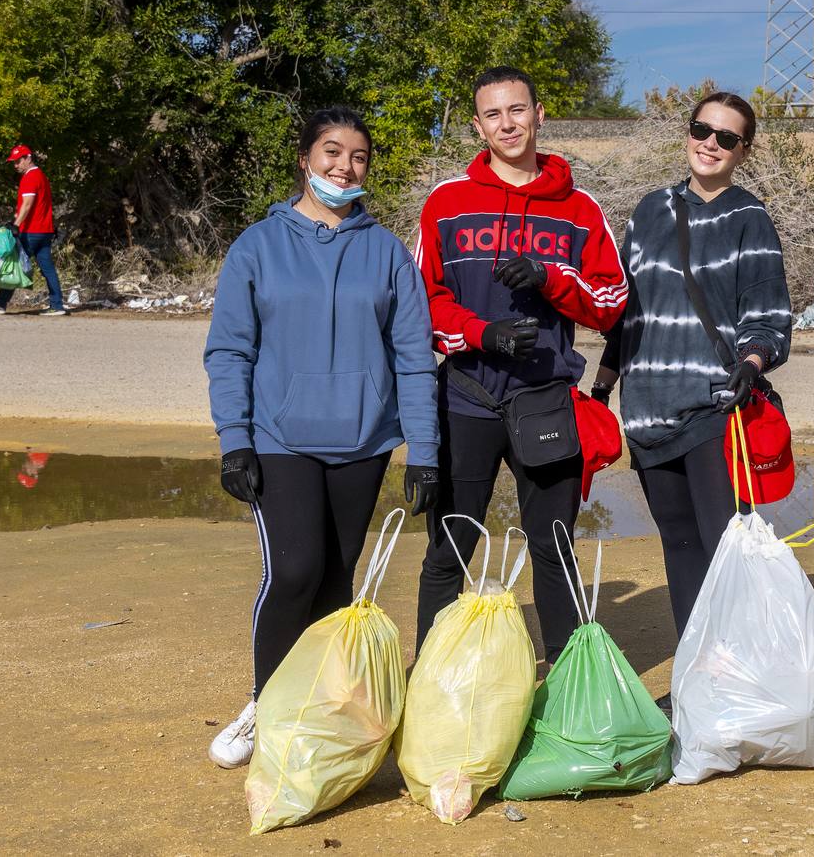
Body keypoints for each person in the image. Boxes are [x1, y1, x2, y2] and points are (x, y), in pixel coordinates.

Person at [202, 106, 440, 768]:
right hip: (280, 437)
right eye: (332, 152)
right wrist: (236, 440)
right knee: (296, 569)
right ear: (305, 159)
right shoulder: (257, 245)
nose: (345, 166)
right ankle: (266, 707)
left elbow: (414, 357)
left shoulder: (386, 252)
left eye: (358, 156)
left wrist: (423, 451)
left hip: (363, 440)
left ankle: (320, 715)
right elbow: (228, 352)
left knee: (337, 582)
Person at [413, 66, 626, 668]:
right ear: (478, 126)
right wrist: (482, 333)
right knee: (449, 547)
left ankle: (564, 682)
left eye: (517, 110)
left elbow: (613, 304)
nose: (508, 124)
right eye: (493, 114)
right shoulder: (448, 203)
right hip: (466, 395)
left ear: (540, 115)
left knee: (554, 549)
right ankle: (435, 678)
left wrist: (552, 279)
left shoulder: (580, 209)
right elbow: (421, 301)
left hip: (544, 399)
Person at [592, 92, 791, 669]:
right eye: (702, 129)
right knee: (678, 548)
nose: (711, 143)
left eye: (727, 137)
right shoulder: (649, 211)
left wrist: (751, 366)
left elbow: (768, 313)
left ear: (743, 151)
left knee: (728, 550)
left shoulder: (748, 215)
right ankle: (699, 674)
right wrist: (602, 388)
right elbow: (626, 311)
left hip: (714, 407)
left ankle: (747, 676)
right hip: (647, 411)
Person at [0, 144, 64, 316]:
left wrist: (16, 225)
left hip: (31, 231)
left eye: (18, 161)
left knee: (12, 264)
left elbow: (27, 205)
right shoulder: (41, 176)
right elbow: (43, 205)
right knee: (48, 268)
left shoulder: (30, 177)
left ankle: (0, 303)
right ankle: (57, 305)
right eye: (14, 162)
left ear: (28, 158)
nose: (15, 165)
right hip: (45, 230)